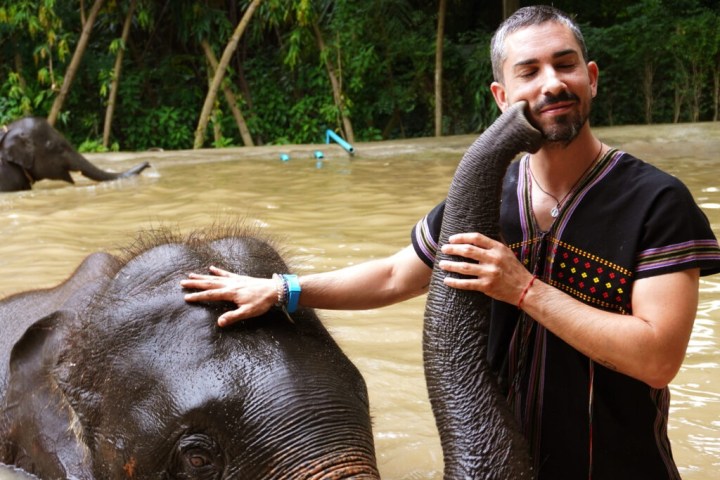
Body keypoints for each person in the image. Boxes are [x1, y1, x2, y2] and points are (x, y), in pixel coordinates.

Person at [181, 5, 720, 479]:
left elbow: (658, 358)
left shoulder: (656, 201)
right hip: (487, 460)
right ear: (502, 97)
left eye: (565, 64)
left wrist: (523, 289)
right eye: (529, 72)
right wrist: (281, 290)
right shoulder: (489, 199)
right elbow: (397, 275)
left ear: (592, 77)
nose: (551, 83)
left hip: (619, 468)